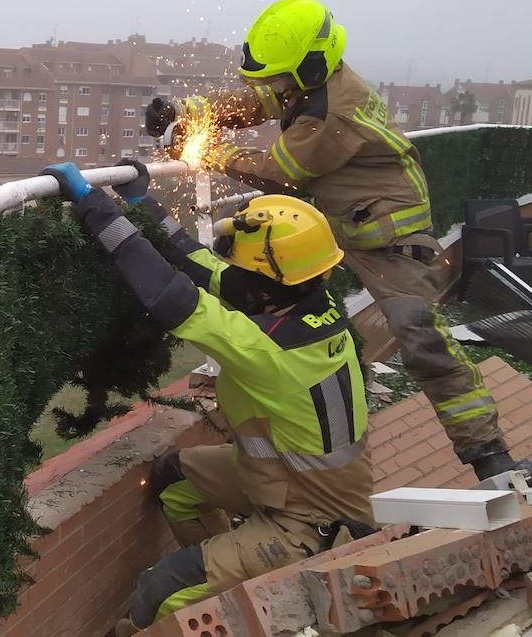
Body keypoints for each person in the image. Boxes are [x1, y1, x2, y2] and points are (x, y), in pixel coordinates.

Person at [145, 0, 532, 485]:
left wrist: (204, 150)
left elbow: (280, 172)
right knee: (271, 296)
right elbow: (259, 100)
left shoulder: (337, 110)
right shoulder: (311, 80)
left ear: (311, 66)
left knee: (421, 337)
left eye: (281, 78)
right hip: (338, 216)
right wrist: (189, 110)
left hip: (388, 237)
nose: (275, 88)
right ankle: (280, 445)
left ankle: (490, 456)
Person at [41, 159, 375, 633]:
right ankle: (230, 582)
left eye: (242, 266)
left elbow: (170, 296)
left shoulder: (269, 347)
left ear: (265, 288)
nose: (230, 272)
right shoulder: (308, 301)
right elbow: (199, 266)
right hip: (283, 479)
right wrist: (142, 203)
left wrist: (94, 206)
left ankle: (214, 590)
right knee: (175, 481)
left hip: (311, 524)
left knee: (160, 589)